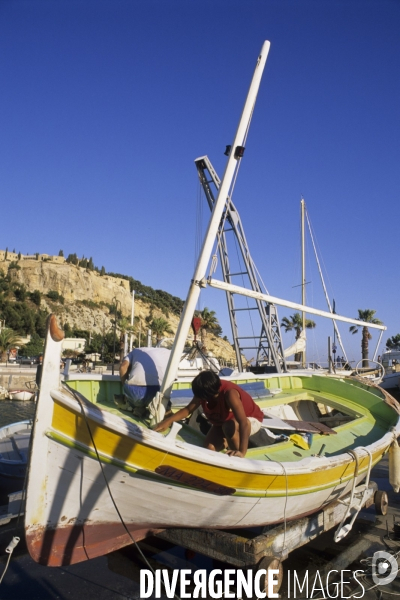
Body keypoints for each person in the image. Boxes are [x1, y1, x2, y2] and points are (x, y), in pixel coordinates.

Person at [153, 370, 264, 458]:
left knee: (229, 427)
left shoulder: (230, 394)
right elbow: (188, 410)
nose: (199, 399)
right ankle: (227, 441)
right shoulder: (204, 392)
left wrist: (242, 451)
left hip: (250, 420)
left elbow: (243, 423)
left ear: (209, 394)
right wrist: (167, 421)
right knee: (209, 448)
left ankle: (237, 456)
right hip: (224, 422)